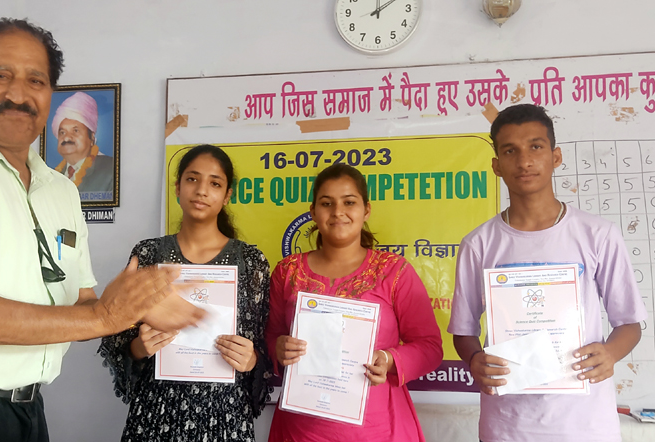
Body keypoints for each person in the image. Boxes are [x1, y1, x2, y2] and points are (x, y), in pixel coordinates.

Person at [0, 18, 202, 442]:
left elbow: (81, 303)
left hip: (25, 412)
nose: (18, 94)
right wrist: (105, 316)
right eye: (0, 75)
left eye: (35, 80)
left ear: (49, 94)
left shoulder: (61, 191)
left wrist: (134, 306)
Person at [448, 103, 646, 442]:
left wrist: (610, 353)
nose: (524, 161)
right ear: (496, 165)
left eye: (536, 147)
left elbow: (629, 324)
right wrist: (475, 359)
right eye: (510, 151)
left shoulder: (598, 235)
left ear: (556, 157)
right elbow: (463, 332)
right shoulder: (478, 244)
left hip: (586, 425)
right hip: (506, 426)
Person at [99, 144, 272, 442]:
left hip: (225, 416)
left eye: (214, 183)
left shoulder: (251, 263)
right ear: (178, 188)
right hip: (156, 414)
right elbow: (117, 333)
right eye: (192, 179)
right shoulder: (148, 254)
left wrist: (251, 360)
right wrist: (139, 347)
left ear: (227, 195)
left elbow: (265, 346)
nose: (202, 190)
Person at [266, 164, 443, 442]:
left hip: (378, 429)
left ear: (366, 210)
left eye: (349, 202)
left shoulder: (393, 271)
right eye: (327, 203)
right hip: (299, 429)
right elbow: (270, 337)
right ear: (313, 212)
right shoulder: (287, 271)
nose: (338, 212)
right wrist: (278, 348)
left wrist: (389, 360)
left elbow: (430, 347)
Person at [51, 91, 114, 196]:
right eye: (62, 132)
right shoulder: (51, 175)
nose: (66, 137)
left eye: (75, 131)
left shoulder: (111, 170)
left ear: (92, 137)